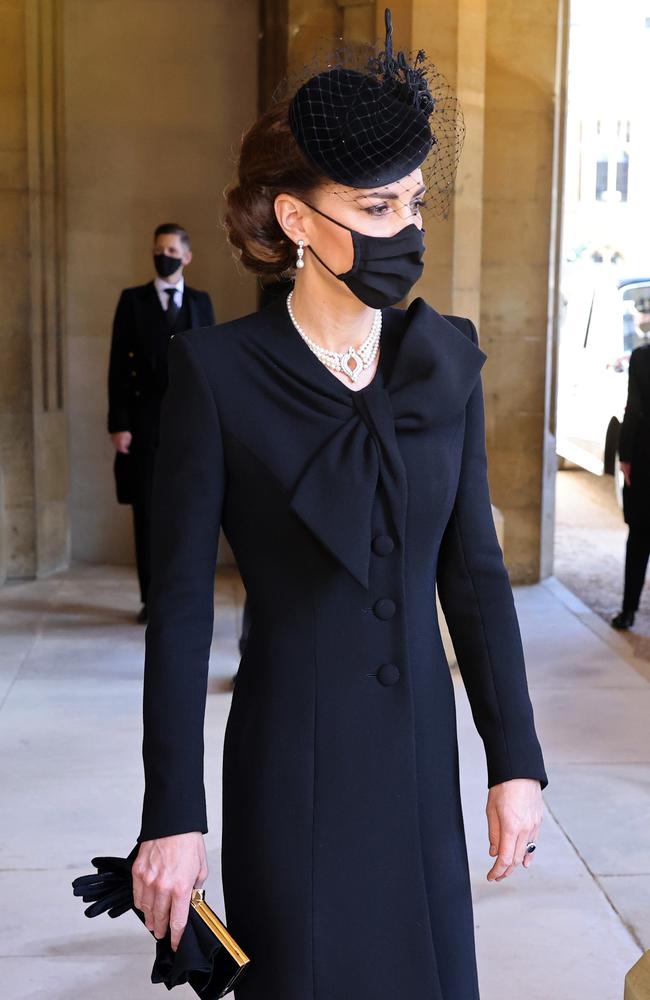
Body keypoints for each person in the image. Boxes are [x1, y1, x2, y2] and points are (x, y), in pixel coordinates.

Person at [131, 11, 548, 999]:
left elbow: (473, 576)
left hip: (416, 760)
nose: (401, 231)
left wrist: (513, 761)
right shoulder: (217, 375)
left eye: (410, 206)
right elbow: (182, 609)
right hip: (292, 762)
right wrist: (173, 812)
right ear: (295, 221)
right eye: (374, 208)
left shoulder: (443, 358)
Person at [107, 223, 215, 623]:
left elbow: (213, 368)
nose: (163, 254)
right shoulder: (132, 301)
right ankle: (152, 599)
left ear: (187, 256)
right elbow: (118, 367)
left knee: (189, 513)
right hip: (145, 423)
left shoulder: (202, 302)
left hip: (192, 425)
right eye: (158, 248)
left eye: (171, 249)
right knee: (149, 513)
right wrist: (119, 424)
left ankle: (181, 597)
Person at [612, 299, 650, 629]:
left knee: (639, 538)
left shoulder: (642, 357)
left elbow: (633, 410)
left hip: (646, 458)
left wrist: (625, 456)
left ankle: (628, 611)